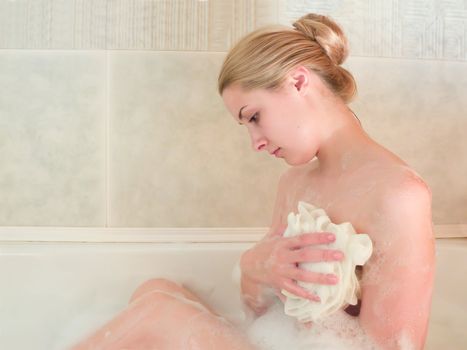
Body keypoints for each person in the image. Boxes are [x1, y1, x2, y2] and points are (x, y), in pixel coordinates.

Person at [72, 13, 435, 350]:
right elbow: (260, 315)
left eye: (255, 116)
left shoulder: (398, 195)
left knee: (159, 312)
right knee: (155, 290)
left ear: (298, 80)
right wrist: (253, 268)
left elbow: (393, 346)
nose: (255, 142)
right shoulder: (295, 184)